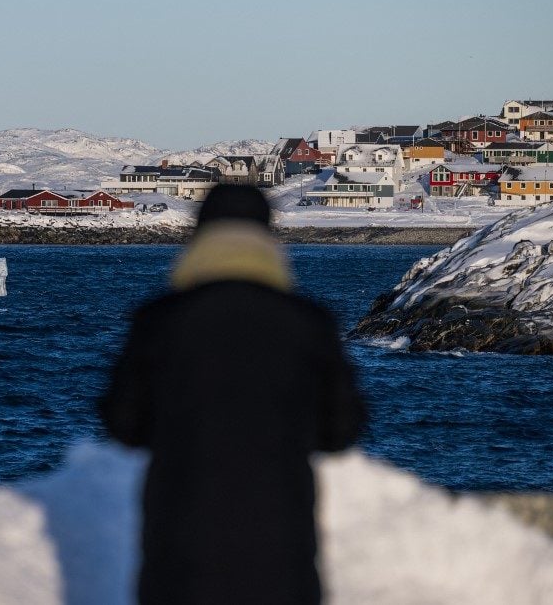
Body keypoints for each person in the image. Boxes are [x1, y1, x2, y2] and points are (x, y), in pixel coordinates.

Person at [100, 184, 365, 605]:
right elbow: (342, 428)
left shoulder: (160, 319)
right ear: (268, 239)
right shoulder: (308, 322)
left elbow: (123, 423)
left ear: (199, 239)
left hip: (182, 520)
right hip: (279, 522)